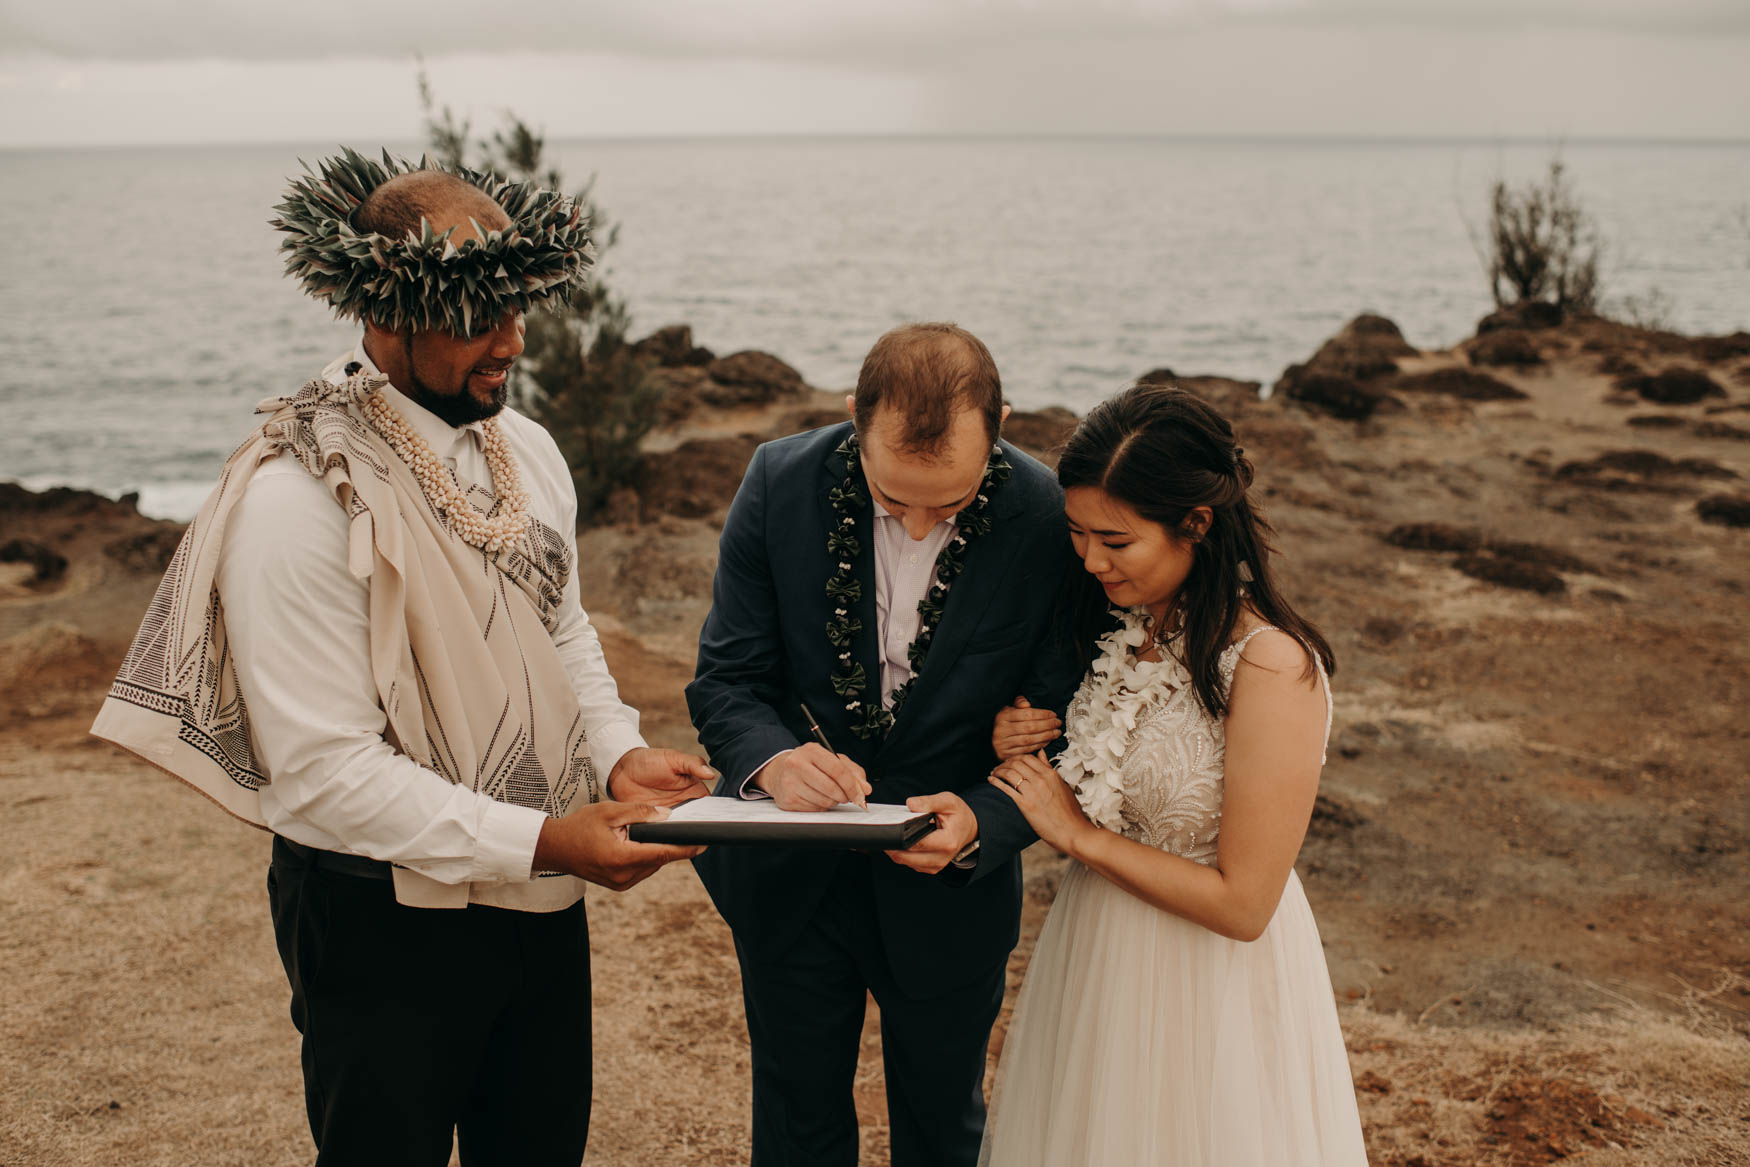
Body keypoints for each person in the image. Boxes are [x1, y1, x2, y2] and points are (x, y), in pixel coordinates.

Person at [91, 149, 710, 1167]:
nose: (509, 340)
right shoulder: (298, 503)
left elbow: (562, 631)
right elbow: (325, 774)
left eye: (515, 307)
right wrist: (554, 841)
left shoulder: (533, 451)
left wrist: (615, 757)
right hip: (375, 917)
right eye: (475, 315)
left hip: (538, 901)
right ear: (383, 316)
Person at [685, 322, 1083, 1166]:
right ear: (854, 420)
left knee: (944, 1131)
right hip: (790, 872)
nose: (912, 526)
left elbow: (1071, 714)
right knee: (796, 1126)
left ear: (1000, 425)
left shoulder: (1050, 517)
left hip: (952, 890)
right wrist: (777, 760)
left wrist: (982, 819)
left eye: (946, 503)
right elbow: (726, 678)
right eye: (891, 496)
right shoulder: (775, 482)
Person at [978, 383, 1368, 1165]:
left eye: (1115, 542)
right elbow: (1110, 765)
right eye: (1078, 534)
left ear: (1196, 523)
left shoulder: (1270, 667)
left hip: (1209, 989)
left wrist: (1078, 836)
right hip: (1097, 960)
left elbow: (1245, 903)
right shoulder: (1127, 626)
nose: (1090, 560)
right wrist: (1019, 736)